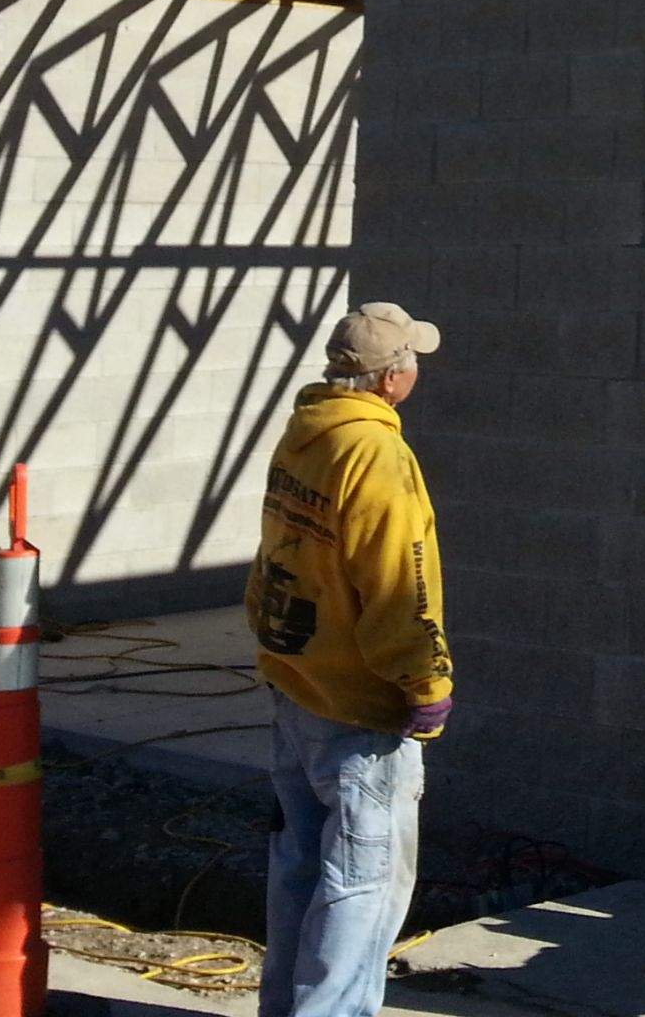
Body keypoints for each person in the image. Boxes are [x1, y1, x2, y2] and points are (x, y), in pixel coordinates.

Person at [248, 301, 454, 1017]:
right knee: (363, 888)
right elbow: (401, 581)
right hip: (359, 708)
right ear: (392, 377)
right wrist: (425, 681)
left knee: (302, 868)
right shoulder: (378, 454)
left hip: (298, 681)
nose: (417, 369)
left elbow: (279, 551)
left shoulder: (308, 431)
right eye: (413, 359)